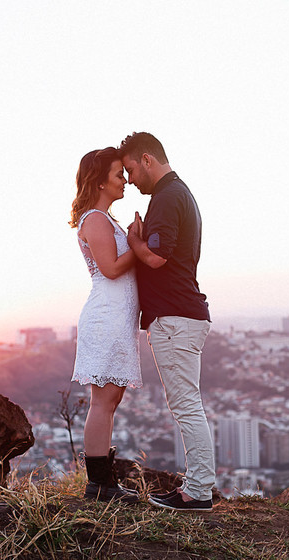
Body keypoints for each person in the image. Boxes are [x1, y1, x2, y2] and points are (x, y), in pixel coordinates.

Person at [119, 132, 216, 512]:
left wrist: (134, 240)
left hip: (175, 318)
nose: (129, 180)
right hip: (182, 315)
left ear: (147, 159)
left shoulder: (166, 197)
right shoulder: (178, 193)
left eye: (130, 170)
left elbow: (156, 257)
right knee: (187, 404)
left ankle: (197, 492)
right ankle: (196, 488)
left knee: (186, 406)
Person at [70, 147, 142, 502]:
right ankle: (99, 484)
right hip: (106, 318)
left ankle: (103, 481)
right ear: (100, 181)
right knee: (103, 401)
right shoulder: (95, 219)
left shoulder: (103, 218)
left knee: (110, 399)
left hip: (116, 319)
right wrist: (138, 245)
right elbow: (111, 269)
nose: (124, 180)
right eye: (118, 174)